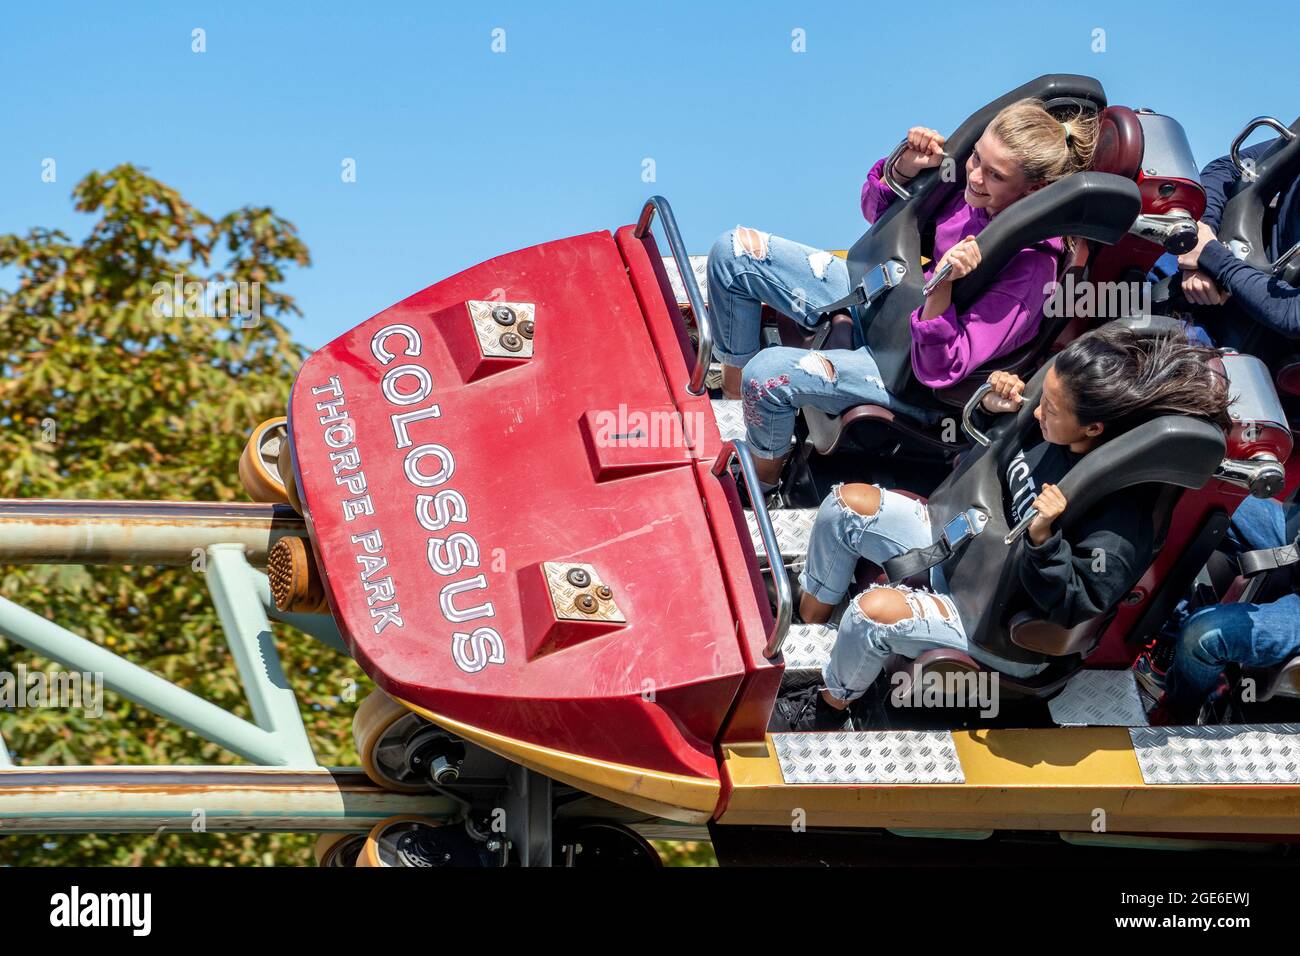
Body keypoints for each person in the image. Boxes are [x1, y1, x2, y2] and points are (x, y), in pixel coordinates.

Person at [773, 325, 1232, 731]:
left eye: (1050, 408)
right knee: (844, 507)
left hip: (993, 619)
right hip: (963, 547)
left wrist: (1044, 538)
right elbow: (989, 450)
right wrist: (996, 407)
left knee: (870, 614)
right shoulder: (1049, 426)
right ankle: (812, 625)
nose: (1037, 414)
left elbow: (1078, 602)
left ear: (1093, 429)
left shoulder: (1122, 516)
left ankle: (828, 708)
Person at [707, 99, 1099, 488]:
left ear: (1035, 191)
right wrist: (905, 167)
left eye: (995, 175)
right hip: (883, 303)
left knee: (767, 374)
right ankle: (731, 399)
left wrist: (942, 285)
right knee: (734, 252)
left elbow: (941, 368)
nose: (976, 177)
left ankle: (764, 483)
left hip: (904, 372)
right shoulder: (971, 192)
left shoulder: (1030, 272)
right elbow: (873, 212)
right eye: (976, 158)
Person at [1139, 495, 1300, 724]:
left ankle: (1181, 712)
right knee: (1195, 495)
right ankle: (1169, 642)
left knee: (1203, 636)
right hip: (1293, 531)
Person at [1175, 134, 1300, 347]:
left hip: (1266, 350)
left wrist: (1213, 258)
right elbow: (1231, 169)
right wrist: (1202, 233)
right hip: (1222, 266)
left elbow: (1293, 315)